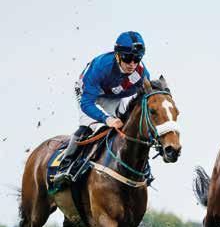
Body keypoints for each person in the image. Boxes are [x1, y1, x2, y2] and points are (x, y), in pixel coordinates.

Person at [53, 31, 150, 187]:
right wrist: (107, 119)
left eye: (137, 59)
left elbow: (146, 97)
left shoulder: (141, 73)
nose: (132, 64)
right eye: (128, 58)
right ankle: (65, 166)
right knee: (90, 125)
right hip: (90, 94)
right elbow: (87, 103)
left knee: (128, 125)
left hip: (114, 95)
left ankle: (144, 168)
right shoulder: (101, 66)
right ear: (118, 55)